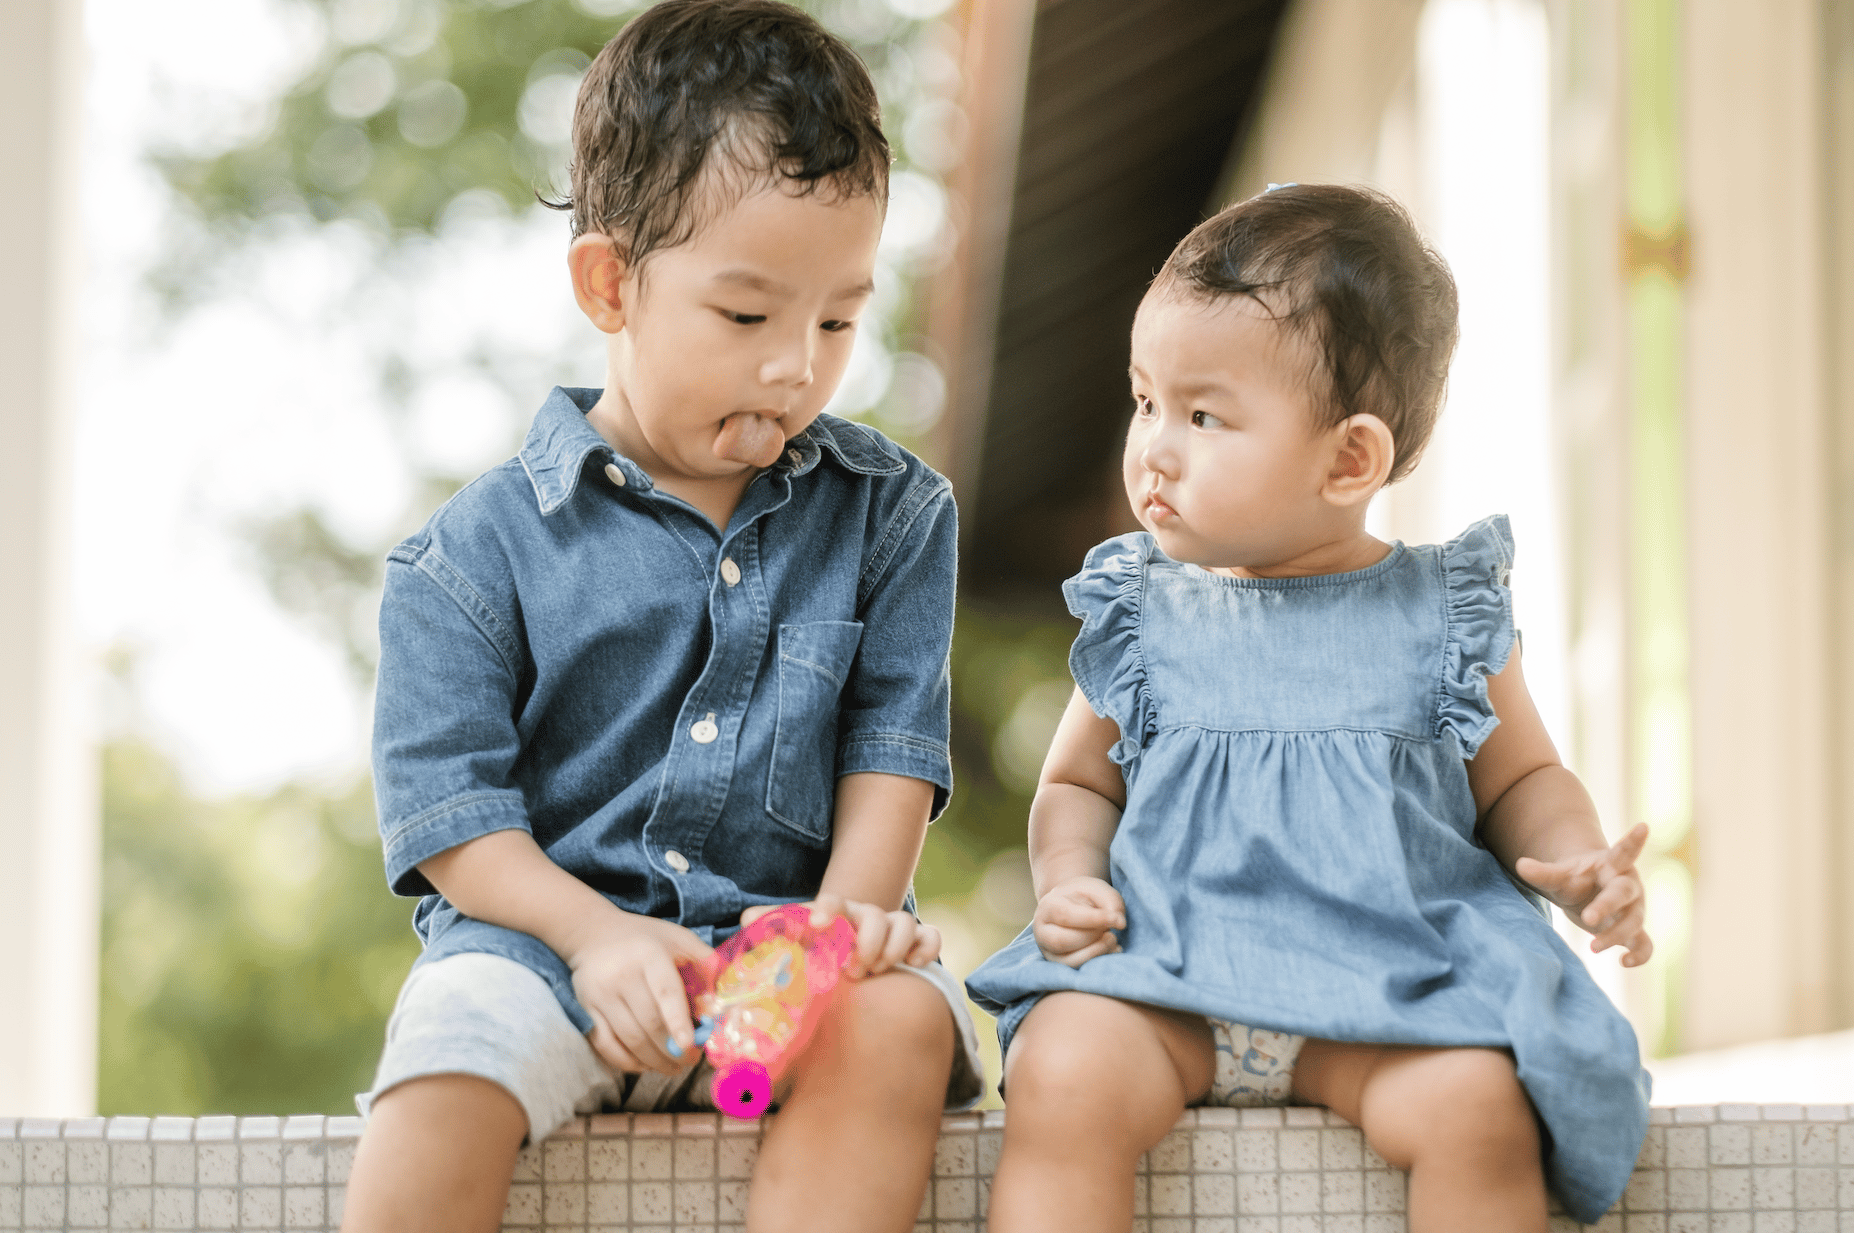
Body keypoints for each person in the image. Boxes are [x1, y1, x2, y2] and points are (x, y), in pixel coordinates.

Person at [338, 4, 984, 1231]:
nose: (798, 364)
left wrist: (832, 935)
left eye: (839, 319)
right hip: (543, 952)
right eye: (747, 317)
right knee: (446, 1051)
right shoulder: (466, 558)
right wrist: (595, 938)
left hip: (785, 952)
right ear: (611, 282)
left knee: (899, 1016)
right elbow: (450, 819)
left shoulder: (895, 516)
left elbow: (890, 758)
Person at [966, 183, 1652, 1233]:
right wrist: (1069, 880)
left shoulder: (1443, 609)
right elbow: (1075, 782)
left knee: (1481, 1110)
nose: (1154, 446)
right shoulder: (1143, 609)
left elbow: (1522, 779)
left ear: (1349, 458)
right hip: (1171, 987)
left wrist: (1578, 862)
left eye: (1203, 415)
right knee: (1065, 1068)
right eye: (1146, 400)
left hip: (1391, 998)